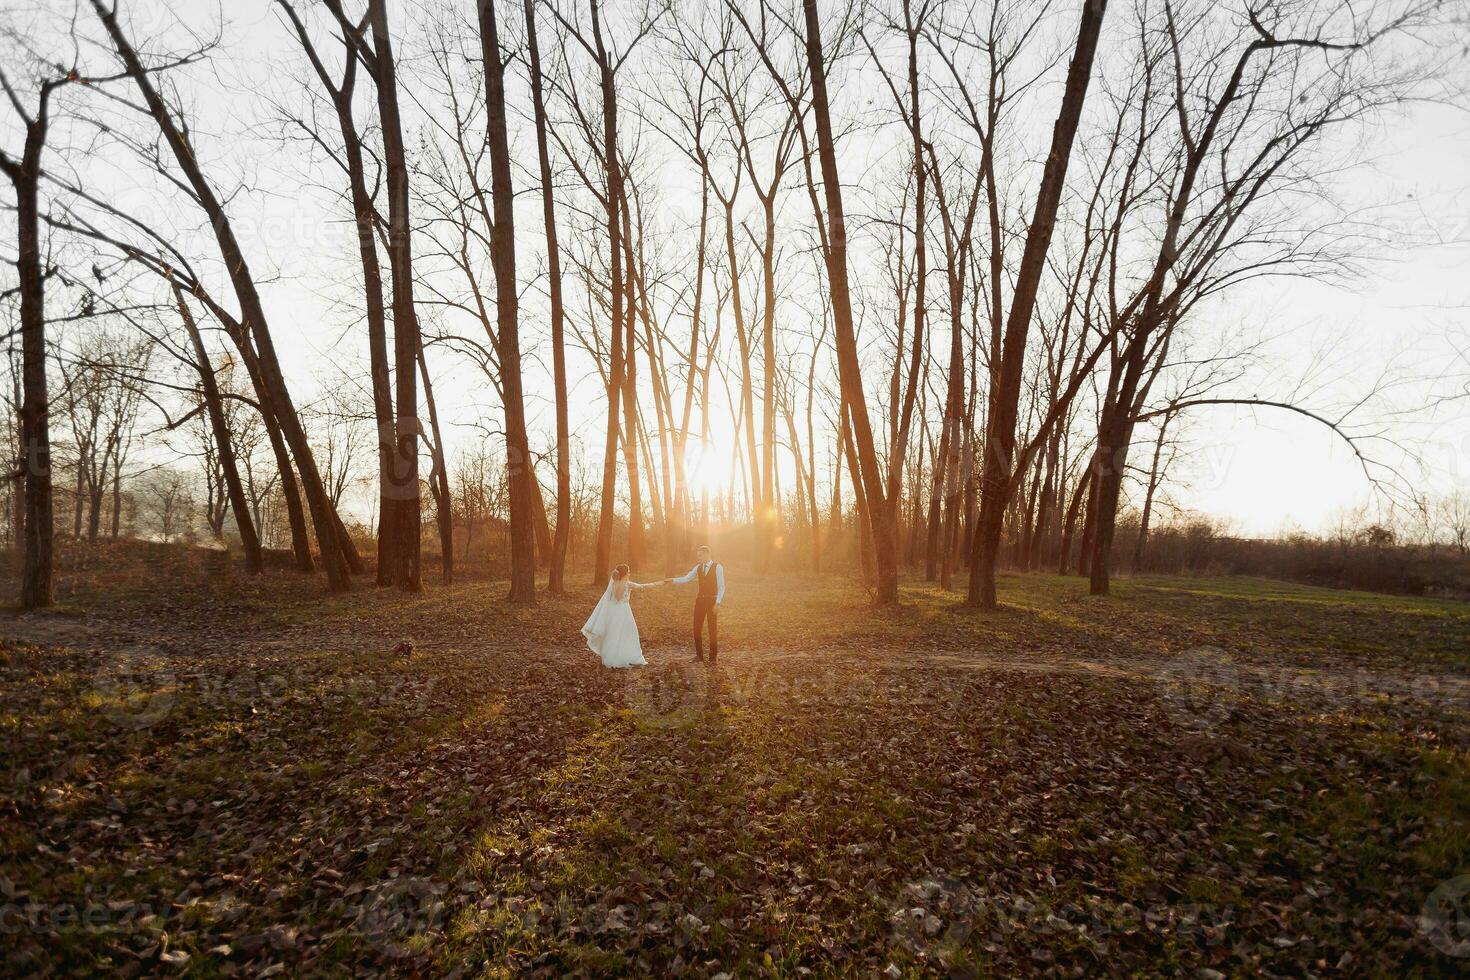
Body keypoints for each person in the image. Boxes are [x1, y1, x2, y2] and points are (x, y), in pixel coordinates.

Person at [581, 564, 661, 668]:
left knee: (620, 633)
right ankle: (619, 658)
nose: (629, 573)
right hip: (622, 611)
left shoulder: (619, 583)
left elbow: (642, 586)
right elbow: (618, 597)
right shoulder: (624, 584)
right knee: (622, 632)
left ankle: (620, 656)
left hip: (619, 611)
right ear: (625, 573)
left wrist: (658, 583)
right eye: (628, 572)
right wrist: (624, 586)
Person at [665, 545, 724, 664]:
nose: (699, 558)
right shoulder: (698, 568)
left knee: (712, 630)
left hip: (712, 601)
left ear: (707, 554)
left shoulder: (718, 567)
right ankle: (699, 656)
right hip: (700, 602)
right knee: (696, 629)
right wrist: (673, 580)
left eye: (700, 556)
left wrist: (718, 603)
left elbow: (722, 587)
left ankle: (713, 658)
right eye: (698, 556)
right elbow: (686, 578)